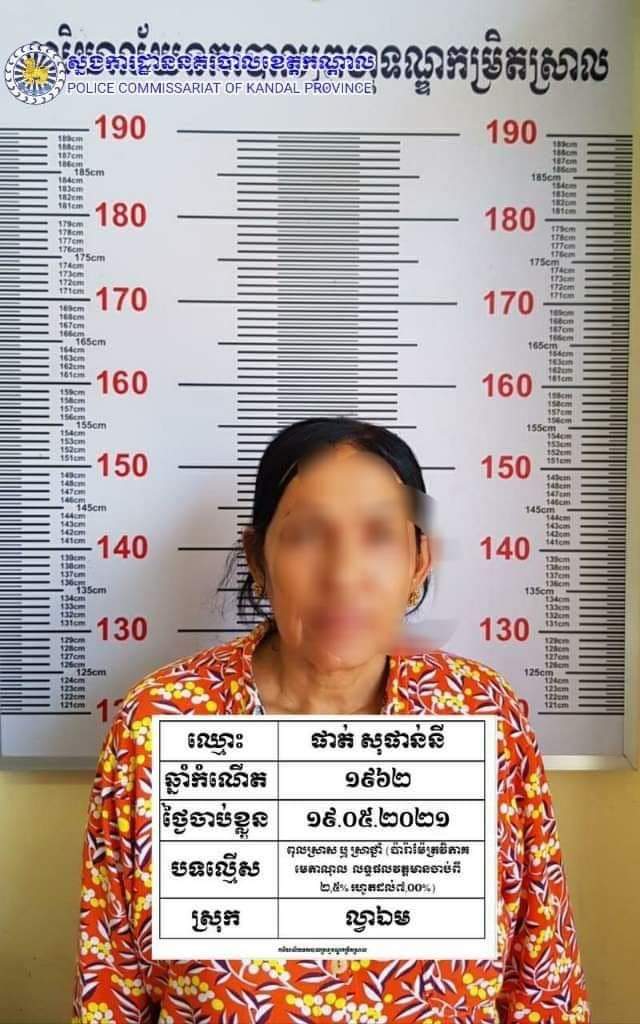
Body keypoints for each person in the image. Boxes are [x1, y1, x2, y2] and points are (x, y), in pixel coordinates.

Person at [71, 416, 591, 1024]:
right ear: (257, 558)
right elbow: (111, 988)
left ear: (419, 559)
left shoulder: (482, 717)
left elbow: (543, 986)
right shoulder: (160, 725)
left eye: (378, 534)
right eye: (306, 535)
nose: (343, 575)